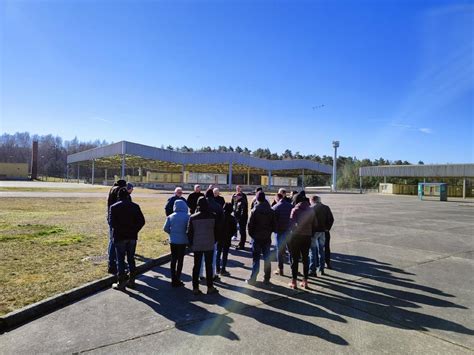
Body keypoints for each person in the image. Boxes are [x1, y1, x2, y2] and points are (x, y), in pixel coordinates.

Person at [109, 187, 145, 290]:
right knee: (131, 258)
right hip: (132, 236)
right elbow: (142, 221)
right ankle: (132, 281)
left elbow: (112, 223)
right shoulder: (135, 206)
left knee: (120, 260)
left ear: (118, 196)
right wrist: (135, 230)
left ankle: (121, 282)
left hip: (120, 236)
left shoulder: (114, 207)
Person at [187, 197, 219, 295]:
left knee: (196, 266)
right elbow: (217, 230)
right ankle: (210, 287)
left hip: (197, 244)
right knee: (209, 266)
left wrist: (191, 244)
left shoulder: (193, 217)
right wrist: (214, 240)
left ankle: (195, 288)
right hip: (209, 243)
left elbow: (189, 232)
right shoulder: (213, 216)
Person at [287, 191, 317, 289]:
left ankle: (294, 282)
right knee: (305, 259)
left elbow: (291, 225)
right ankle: (305, 281)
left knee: (294, 260)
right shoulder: (310, 210)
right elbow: (315, 224)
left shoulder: (295, 210)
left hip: (296, 237)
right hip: (307, 237)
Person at [246, 191, 276, 285]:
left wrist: (253, 235)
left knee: (256, 259)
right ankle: (267, 278)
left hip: (256, 237)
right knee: (267, 258)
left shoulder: (254, 210)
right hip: (266, 237)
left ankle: (253, 278)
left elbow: (249, 226)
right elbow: (274, 226)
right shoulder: (271, 211)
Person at [163, 199, 190, 287]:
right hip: (183, 241)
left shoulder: (171, 216)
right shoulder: (188, 216)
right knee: (180, 260)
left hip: (173, 240)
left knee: (173, 259)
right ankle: (178, 278)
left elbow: (165, 228)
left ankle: (173, 278)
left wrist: (172, 233)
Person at [309, 195, 335, 274]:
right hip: (323, 231)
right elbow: (331, 219)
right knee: (322, 250)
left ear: (313, 200)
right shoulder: (326, 207)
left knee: (312, 251)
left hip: (314, 232)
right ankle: (321, 268)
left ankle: (312, 269)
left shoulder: (311, 208)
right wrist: (327, 228)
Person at [106, 179, 127, 274]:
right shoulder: (118, 190)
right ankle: (113, 263)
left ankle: (111, 262)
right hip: (118, 218)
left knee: (112, 239)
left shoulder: (112, 189)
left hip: (111, 216)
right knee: (116, 241)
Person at [272, 192, 293, 276]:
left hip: (279, 231)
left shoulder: (275, 207)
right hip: (289, 231)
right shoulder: (290, 206)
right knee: (291, 251)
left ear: (277, 199)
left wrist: (274, 229)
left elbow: (273, 221)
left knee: (279, 250)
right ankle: (293, 269)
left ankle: (280, 269)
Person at [216, 203, 237, 276]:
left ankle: (217, 268)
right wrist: (230, 235)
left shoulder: (219, 216)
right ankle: (223, 269)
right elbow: (234, 229)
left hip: (219, 237)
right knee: (225, 254)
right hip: (227, 238)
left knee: (218, 253)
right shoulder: (232, 218)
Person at [232, 185, 249, 250]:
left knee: (242, 231)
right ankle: (238, 241)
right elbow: (233, 204)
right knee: (235, 228)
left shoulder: (243, 197)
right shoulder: (234, 195)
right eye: (237, 188)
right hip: (236, 215)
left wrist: (239, 217)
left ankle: (242, 244)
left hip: (242, 217)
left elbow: (243, 209)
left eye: (239, 188)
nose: (238, 189)